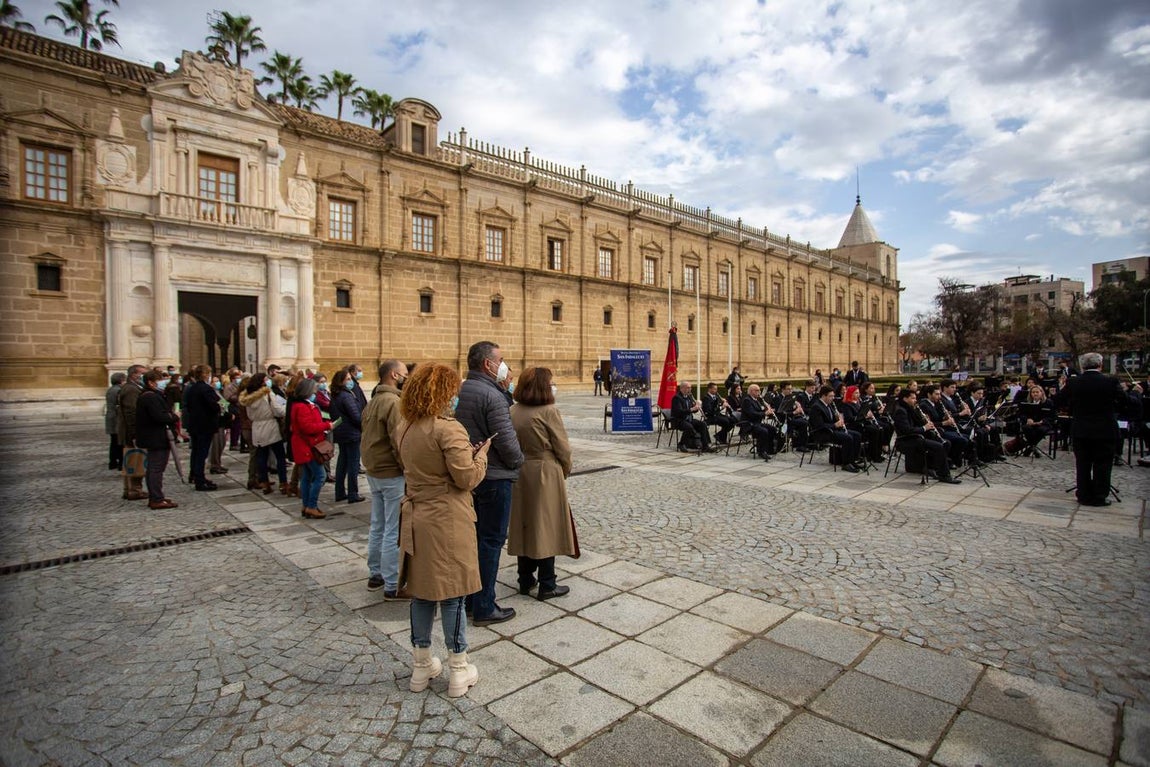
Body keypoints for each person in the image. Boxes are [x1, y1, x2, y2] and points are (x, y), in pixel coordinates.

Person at [398, 362, 490, 697]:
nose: (455, 397)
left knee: (422, 592)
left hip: (417, 516)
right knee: (453, 593)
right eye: (453, 392)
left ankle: (421, 665)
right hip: (447, 517)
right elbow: (466, 477)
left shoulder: (405, 426)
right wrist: (481, 456)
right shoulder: (448, 429)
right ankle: (458, 669)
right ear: (442, 393)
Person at [455, 340, 524, 627]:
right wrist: (518, 461)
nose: (504, 365)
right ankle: (485, 605)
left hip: (473, 475)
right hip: (495, 476)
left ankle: (472, 599)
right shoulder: (492, 395)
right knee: (491, 541)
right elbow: (506, 440)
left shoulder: (464, 389)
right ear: (488, 364)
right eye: (501, 360)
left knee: (475, 540)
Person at [508, 367, 577, 600]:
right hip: (545, 471)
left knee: (525, 523)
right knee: (547, 525)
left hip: (521, 470)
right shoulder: (549, 411)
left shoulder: (513, 410)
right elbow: (563, 447)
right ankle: (548, 583)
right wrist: (565, 469)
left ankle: (525, 578)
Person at [362, 359, 409, 597]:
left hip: (375, 471)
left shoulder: (373, 401)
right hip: (390, 473)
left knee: (378, 525)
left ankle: (375, 573)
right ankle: (392, 584)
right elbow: (397, 441)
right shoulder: (392, 402)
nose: (406, 377)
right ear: (394, 375)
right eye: (404, 373)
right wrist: (406, 468)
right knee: (392, 528)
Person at [1055, 353, 1125, 506]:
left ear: (1082, 366)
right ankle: (1099, 496)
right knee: (1103, 464)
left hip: (1081, 429)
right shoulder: (1110, 382)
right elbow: (1124, 402)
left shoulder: (1074, 382)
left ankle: (1084, 494)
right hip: (1105, 429)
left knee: (1083, 464)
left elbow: (1058, 400)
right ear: (1100, 365)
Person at [891, 388, 960, 483]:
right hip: (906, 440)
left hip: (915, 437)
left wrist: (924, 420)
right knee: (938, 446)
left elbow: (918, 423)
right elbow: (907, 430)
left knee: (945, 443)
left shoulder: (910, 409)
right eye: (913, 398)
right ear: (905, 399)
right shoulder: (901, 411)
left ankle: (933, 467)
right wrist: (924, 428)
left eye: (915, 398)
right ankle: (944, 475)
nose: (915, 400)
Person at [135, 369, 180, 509]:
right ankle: (156, 498)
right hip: (156, 436)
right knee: (156, 468)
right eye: (160, 380)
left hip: (155, 435)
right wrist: (175, 416)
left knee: (156, 467)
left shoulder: (152, 395)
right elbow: (160, 416)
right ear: (151, 382)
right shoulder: (150, 397)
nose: (163, 382)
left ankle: (157, 495)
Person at [241, 373, 288, 495]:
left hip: (257, 426)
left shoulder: (248, 396)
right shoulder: (267, 393)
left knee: (261, 457)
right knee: (280, 456)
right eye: (266, 380)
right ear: (262, 382)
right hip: (270, 425)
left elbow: (249, 415)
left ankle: (264, 482)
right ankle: (283, 483)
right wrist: (286, 408)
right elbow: (277, 410)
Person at [288, 377, 329, 519]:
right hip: (308, 447)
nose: (315, 393)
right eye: (314, 391)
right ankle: (311, 505)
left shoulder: (303, 405)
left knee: (306, 476)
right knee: (320, 476)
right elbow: (308, 427)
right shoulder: (302, 407)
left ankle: (306, 505)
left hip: (305, 445)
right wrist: (326, 425)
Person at [182, 365, 221, 491]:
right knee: (201, 453)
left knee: (196, 451)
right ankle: (200, 480)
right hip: (205, 425)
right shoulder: (206, 389)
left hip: (195, 424)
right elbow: (214, 405)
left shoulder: (192, 388)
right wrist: (219, 406)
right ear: (205, 375)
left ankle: (194, 474)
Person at [329, 368, 365, 504]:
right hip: (352, 433)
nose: (351, 381)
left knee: (342, 462)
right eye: (348, 379)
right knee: (353, 464)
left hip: (341, 432)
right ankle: (352, 493)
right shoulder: (346, 396)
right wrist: (363, 426)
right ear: (341, 381)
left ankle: (339, 492)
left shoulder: (335, 395)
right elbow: (355, 416)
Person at [808, 385, 863, 471]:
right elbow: (819, 425)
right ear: (823, 396)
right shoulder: (816, 407)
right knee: (848, 438)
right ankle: (846, 463)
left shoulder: (829, 405)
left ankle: (853, 460)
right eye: (830, 396)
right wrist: (835, 425)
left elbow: (833, 419)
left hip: (832, 430)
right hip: (823, 433)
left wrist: (839, 419)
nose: (833, 398)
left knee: (857, 435)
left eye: (833, 396)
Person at [117, 364, 148, 500]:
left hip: (129, 431)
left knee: (130, 459)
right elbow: (132, 412)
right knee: (135, 459)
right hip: (132, 431)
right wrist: (135, 433)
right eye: (142, 373)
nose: (144, 376)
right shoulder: (131, 389)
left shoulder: (132, 388)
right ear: (133, 374)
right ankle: (135, 490)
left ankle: (129, 489)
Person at [740, 384, 781, 459]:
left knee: (772, 429)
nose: (759, 392)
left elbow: (759, 411)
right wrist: (765, 413)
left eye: (759, 390)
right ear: (751, 391)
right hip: (749, 424)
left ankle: (769, 449)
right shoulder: (747, 400)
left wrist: (768, 410)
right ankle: (761, 451)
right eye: (757, 390)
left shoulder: (756, 400)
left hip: (757, 423)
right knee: (763, 431)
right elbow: (752, 414)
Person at [670, 381, 713, 452]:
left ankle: (705, 445)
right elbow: (679, 412)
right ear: (682, 388)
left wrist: (697, 407)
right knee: (689, 427)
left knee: (702, 424)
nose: (690, 389)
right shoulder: (677, 398)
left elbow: (693, 411)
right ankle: (681, 444)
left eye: (690, 388)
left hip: (688, 419)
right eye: (688, 388)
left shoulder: (689, 397)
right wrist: (691, 409)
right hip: (679, 420)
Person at [105, 372, 126, 470]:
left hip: (111, 417)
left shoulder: (110, 390)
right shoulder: (119, 390)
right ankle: (120, 462)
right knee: (119, 441)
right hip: (117, 418)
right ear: (121, 380)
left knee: (114, 441)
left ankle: (113, 462)